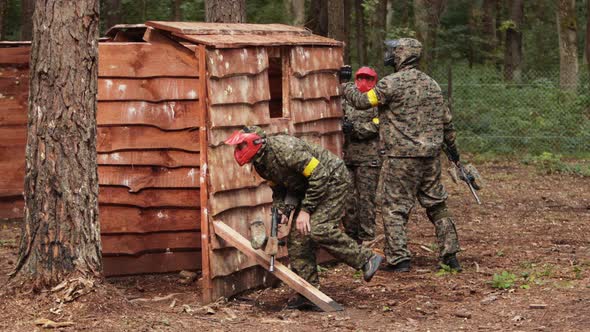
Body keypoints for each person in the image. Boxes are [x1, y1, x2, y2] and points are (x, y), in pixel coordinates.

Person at [224, 126, 383, 309]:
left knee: (318, 229)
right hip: (307, 189)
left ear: (255, 142)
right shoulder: (261, 164)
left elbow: (320, 175)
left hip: (332, 181)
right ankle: (308, 291)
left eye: (241, 146)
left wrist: (305, 211)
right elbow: (279, 189)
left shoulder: (286, 150)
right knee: (298, 241)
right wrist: (282, 210)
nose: (238, 151)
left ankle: (367, 259)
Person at [342, 38, 463, 272]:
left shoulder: (392, 84)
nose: (389, 54)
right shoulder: (432, 85)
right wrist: (454, 155)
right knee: (437, 205)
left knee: (393, 206)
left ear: (401, 55)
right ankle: (450, 255)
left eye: (393, 51)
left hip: (401, 158)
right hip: (431, 157)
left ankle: (399, 259)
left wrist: (344, 84)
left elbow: (361, 101)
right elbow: (447, 124)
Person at [341, 67, 381, 244]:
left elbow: (378, 125)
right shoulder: (349, 99)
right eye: (360, 78)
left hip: (369, 159)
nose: (364, 82)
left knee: (366, 200)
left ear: (374, 81)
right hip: (348, 157)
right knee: (348, 199)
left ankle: (367, 238)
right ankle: (351, 237)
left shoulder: (378, 100)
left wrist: (355, 129)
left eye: (368, 78)